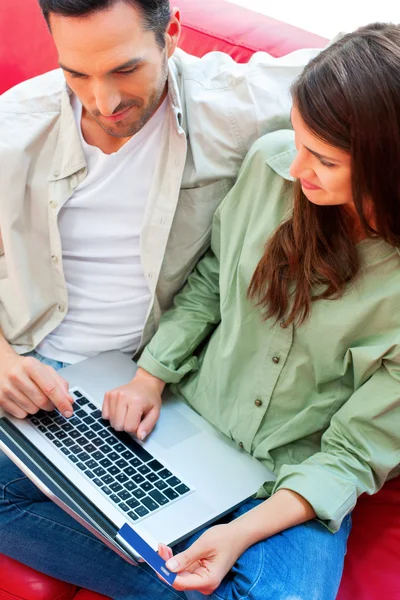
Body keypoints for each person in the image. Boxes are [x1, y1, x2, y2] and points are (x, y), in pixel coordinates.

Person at [0, 0, 319, 588]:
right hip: (33, 374)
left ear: (171, 33)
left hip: (150, 383)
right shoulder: (14, 125)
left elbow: (367, 74)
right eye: (76, 73)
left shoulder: (232, 104)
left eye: (125, 70)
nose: (102, 101)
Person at [110, 22, 398, 600]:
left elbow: (352, 454)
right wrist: (149, 376)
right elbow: (212, 278)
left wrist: (238, 535)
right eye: (297, 141)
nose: (295, 169)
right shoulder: (271, 166)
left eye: (322, 158)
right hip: (187, 415)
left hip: (290, 479)